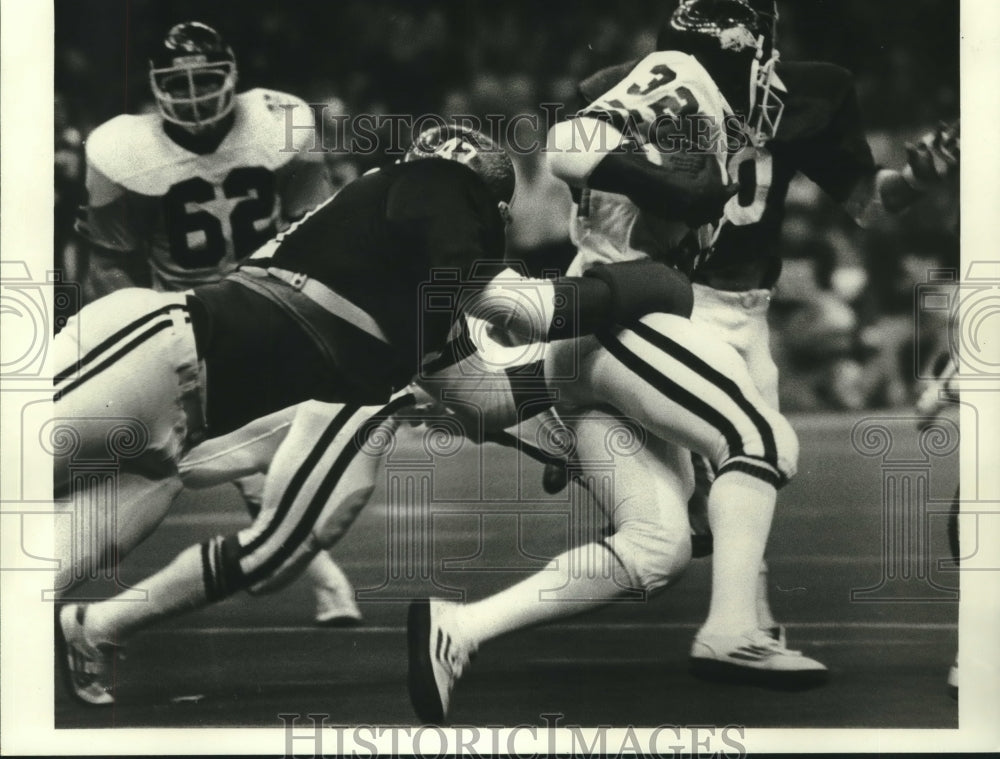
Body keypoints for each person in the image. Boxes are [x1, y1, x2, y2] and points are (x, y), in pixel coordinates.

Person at [406, 0, 959, 723]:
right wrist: (677, 182)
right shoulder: (683, 78)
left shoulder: (758, 93)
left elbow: (863, 196)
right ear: (743, 46)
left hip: (634, 317)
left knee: (658, 547)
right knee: (760, 440)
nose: (768, 69)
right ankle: (732, 630)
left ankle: (460, 627)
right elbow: (572, 145)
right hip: (633, 309)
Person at [54, 124, 696, 705]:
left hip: (197, 403)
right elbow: (518, 312)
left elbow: (476, 395)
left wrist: (565, 430)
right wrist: (635, 290)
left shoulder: (406, 274)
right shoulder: (437, 189)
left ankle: (92, 626)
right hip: (160, 354)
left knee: (73, 557)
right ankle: (96, 623)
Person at [71, 20, 360, 625]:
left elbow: (319, 222)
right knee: (204, 458)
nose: (195, 94)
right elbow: (111, 259)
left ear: (233, 76)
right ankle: (325, 582)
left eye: (206, 77)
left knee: (268, 448)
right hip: (191, 317)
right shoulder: (120, 149)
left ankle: (323, 581)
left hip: (273, 301)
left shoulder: (281, 122)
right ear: (153, 88)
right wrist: (141, 324)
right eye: (179, 82)